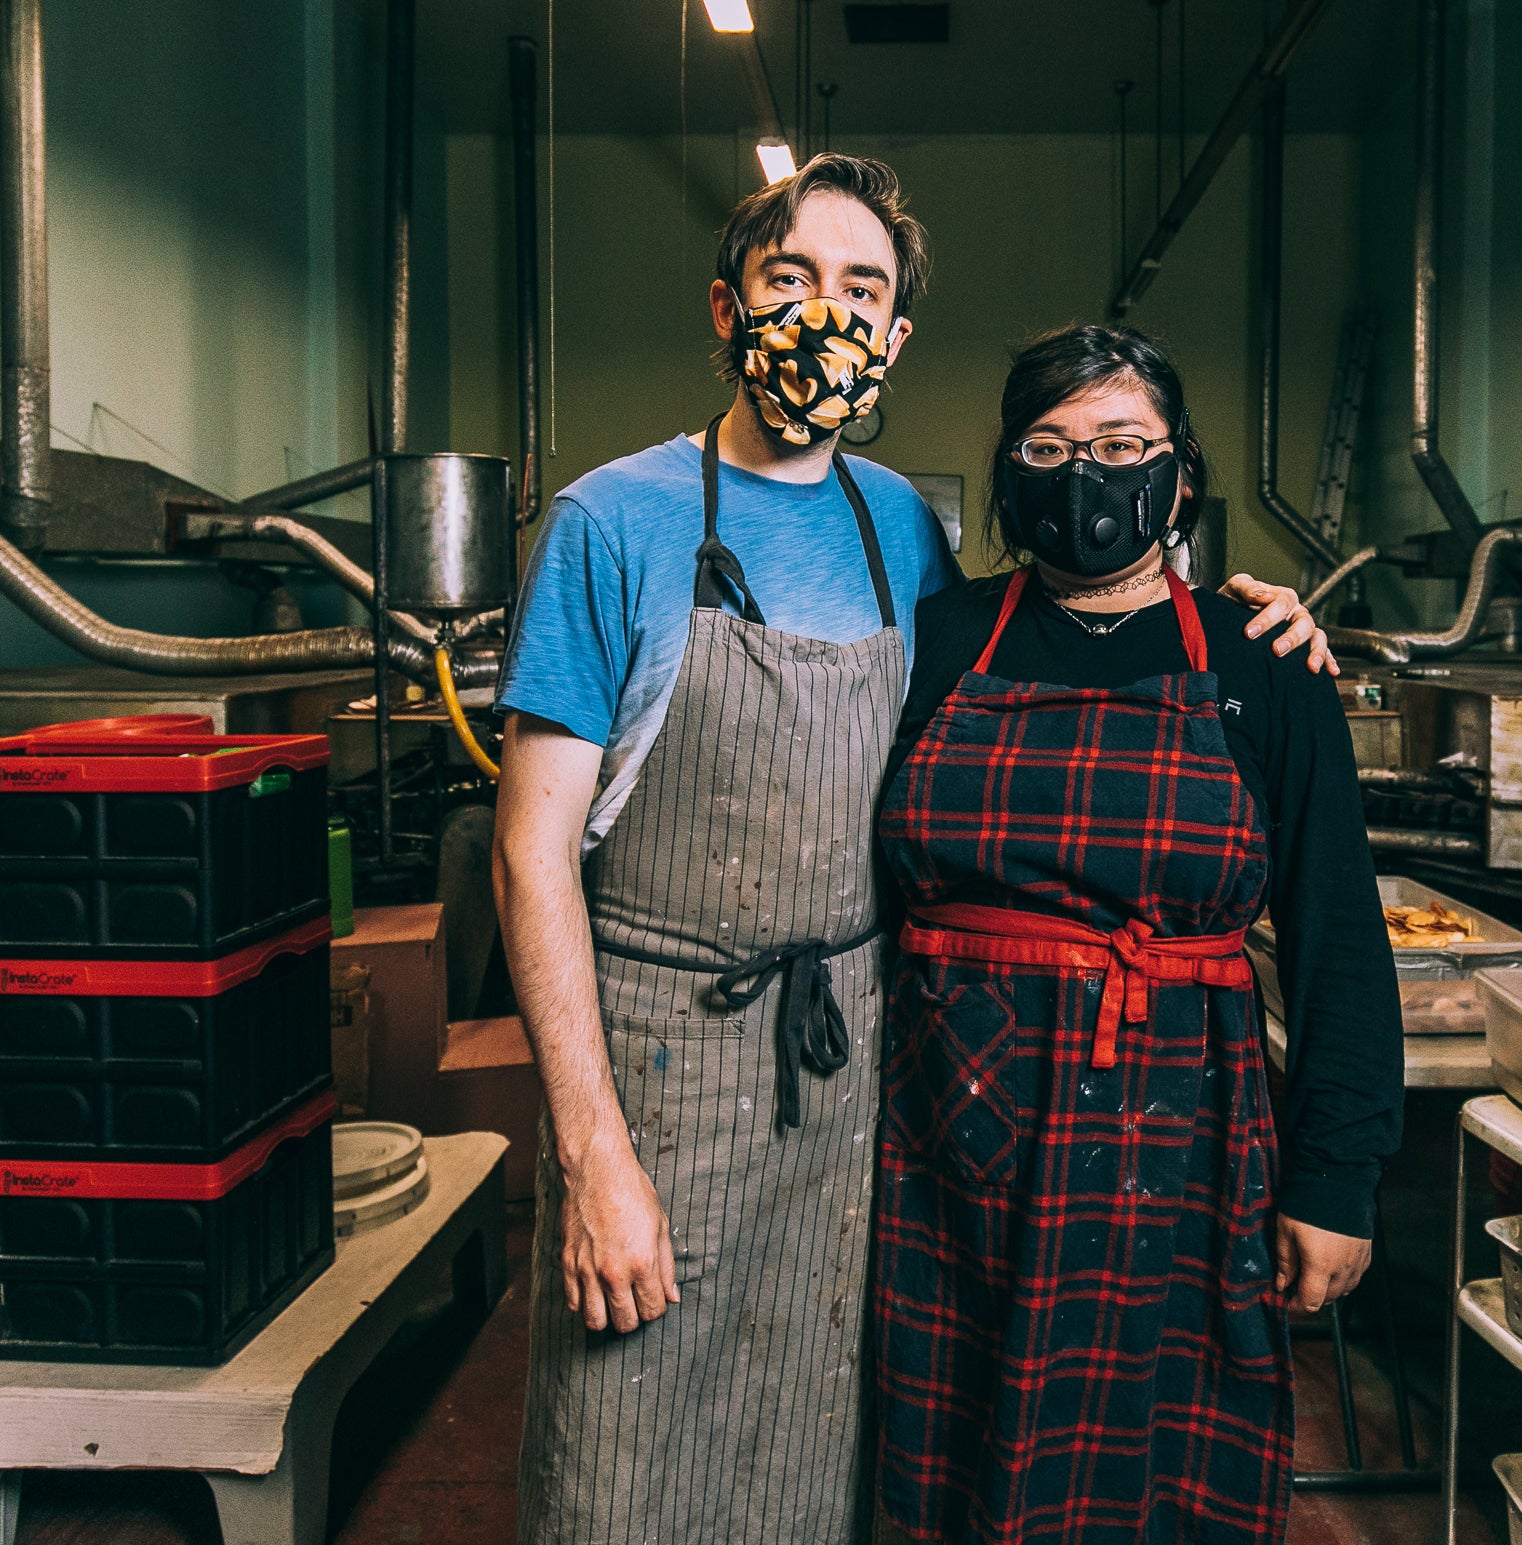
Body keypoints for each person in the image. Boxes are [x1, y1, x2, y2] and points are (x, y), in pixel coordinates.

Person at [492, 156, 1334, 1545]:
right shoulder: (612, 521)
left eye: (861, 289)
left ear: (892, 339)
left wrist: (1254, 619)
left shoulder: (906, 536)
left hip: (864, 1112)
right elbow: (531, 857)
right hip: (663, 1079)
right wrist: (593, 1159)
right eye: (789, 280)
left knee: (831, 1481)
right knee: (622, 1466)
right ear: (726, 307)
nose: (824, 314)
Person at [873, 324, 1404, 1543]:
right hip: (941, 1140)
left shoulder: (1261, 661)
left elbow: (1334, 935)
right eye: (1050, 447)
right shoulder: (941, 642)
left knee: (1154, 1476)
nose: (1086, 478)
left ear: (1179, 472)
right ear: (1008, 472)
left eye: (1120, 446)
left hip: (1172, 1144)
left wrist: (1337, 1176)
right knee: (948, 1465)